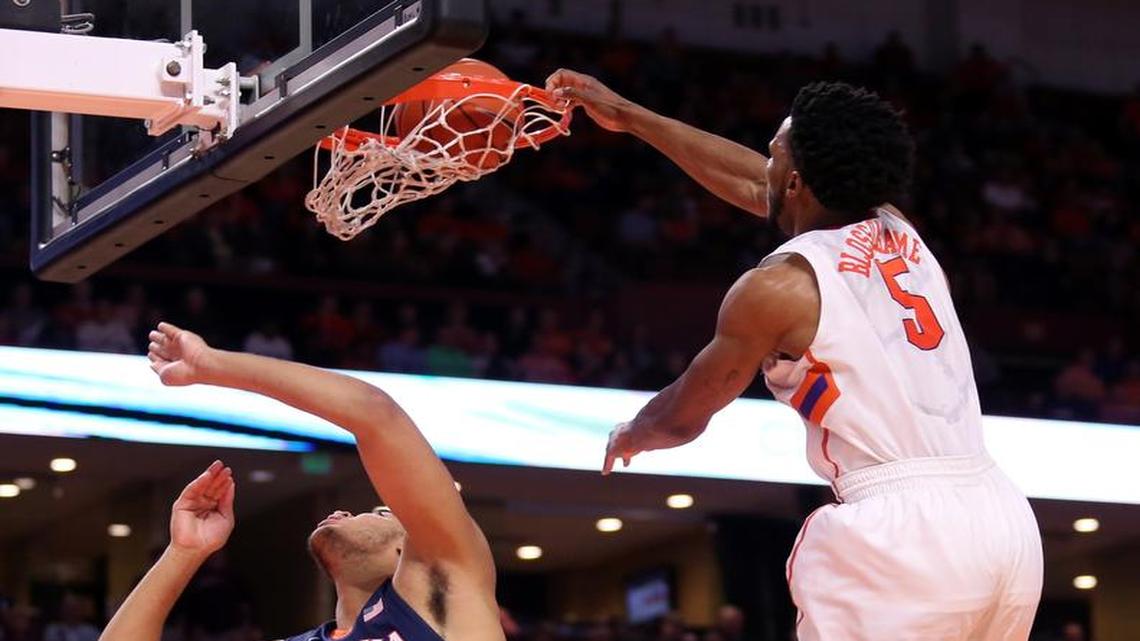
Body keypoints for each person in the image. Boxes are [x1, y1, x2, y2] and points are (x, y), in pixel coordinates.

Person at [546, 71, 1043, 640]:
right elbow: (759, 185)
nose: (766, 163)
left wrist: (635, 430)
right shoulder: (899, 230)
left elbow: (684, 416)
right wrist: (633, 115)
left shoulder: (779, 286)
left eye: (774, 154)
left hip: (902, 530)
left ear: (796, 181)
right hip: (1002, 519)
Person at [99, 322, 501, 641]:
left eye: (377, 512)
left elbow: (375, 414)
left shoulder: (448, 586)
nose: (344, 512)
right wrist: (182, 553)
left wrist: (212, 364)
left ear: (405, 548)